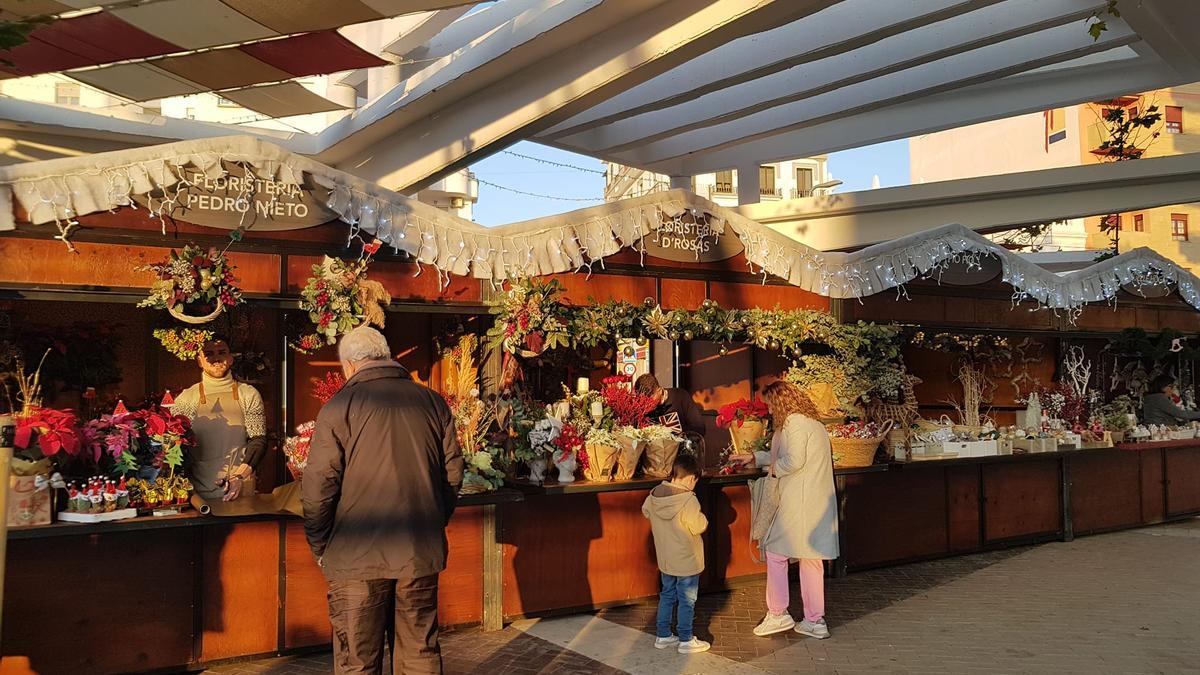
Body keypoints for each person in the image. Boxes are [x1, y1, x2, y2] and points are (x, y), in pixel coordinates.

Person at [302, 326, 464, 675]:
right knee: (420, 652)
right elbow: (452, 476)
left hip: (356, 554)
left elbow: (319, 487)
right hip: (419, 550)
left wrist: (320, 543)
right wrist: (433, 520)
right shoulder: (432, 401)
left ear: (350, 365)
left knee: (357, 659)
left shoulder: (339, 407)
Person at [751, 380, 837, 640]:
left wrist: (771, 469)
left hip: (798, 502)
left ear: (778, 402)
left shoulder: (794, 423)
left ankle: (778, 613)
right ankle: (814, 620)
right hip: (817, 502)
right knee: (812, 559)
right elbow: (797, 456)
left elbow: (793, 461)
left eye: (769, 405)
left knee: (776, 552)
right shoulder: (814, 424)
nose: (767, 411)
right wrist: (756, 457)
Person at [172, 335, 266, 502]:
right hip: (199, 494)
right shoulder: (185, 399)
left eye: (222, 352)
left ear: (230, 358)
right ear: (199, 360)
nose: (216, 358)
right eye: (209, 354)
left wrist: (239, 477)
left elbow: (258, 440)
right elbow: (176, 448)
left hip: (241, 491)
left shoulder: (248, 394)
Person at [642, 453, 711, 654]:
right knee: (687, 600)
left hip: (666, 559)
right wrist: (704, 520)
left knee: (667, 595)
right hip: (686, 560)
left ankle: (663, 635)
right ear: (691, 477)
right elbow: (698, 526)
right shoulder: (688, 500)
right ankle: (686, 639)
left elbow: (645, 511)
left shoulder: (655, 493)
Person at [635, 374, 706, 437]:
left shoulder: (680, 396)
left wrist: (679, 435)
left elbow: (699, 427)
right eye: (644, 400)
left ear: (659, 390)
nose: (647, 403)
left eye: (650, 398)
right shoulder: (645, 407)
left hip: (681, 447)